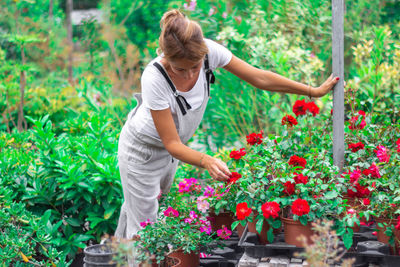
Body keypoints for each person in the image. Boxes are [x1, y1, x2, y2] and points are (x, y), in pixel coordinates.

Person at [114, 9, 340, 240]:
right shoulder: (154, 77)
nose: (190, 74)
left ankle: (116, 257)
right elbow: (171, 142)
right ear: (165, 56)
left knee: (146, 214)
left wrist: (313, 91)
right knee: (145, 229)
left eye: (195, 66)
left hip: (173, 152)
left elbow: (259, 78)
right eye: (180, 69)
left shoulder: (210, 51)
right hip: (142, 152)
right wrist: (206, 160)